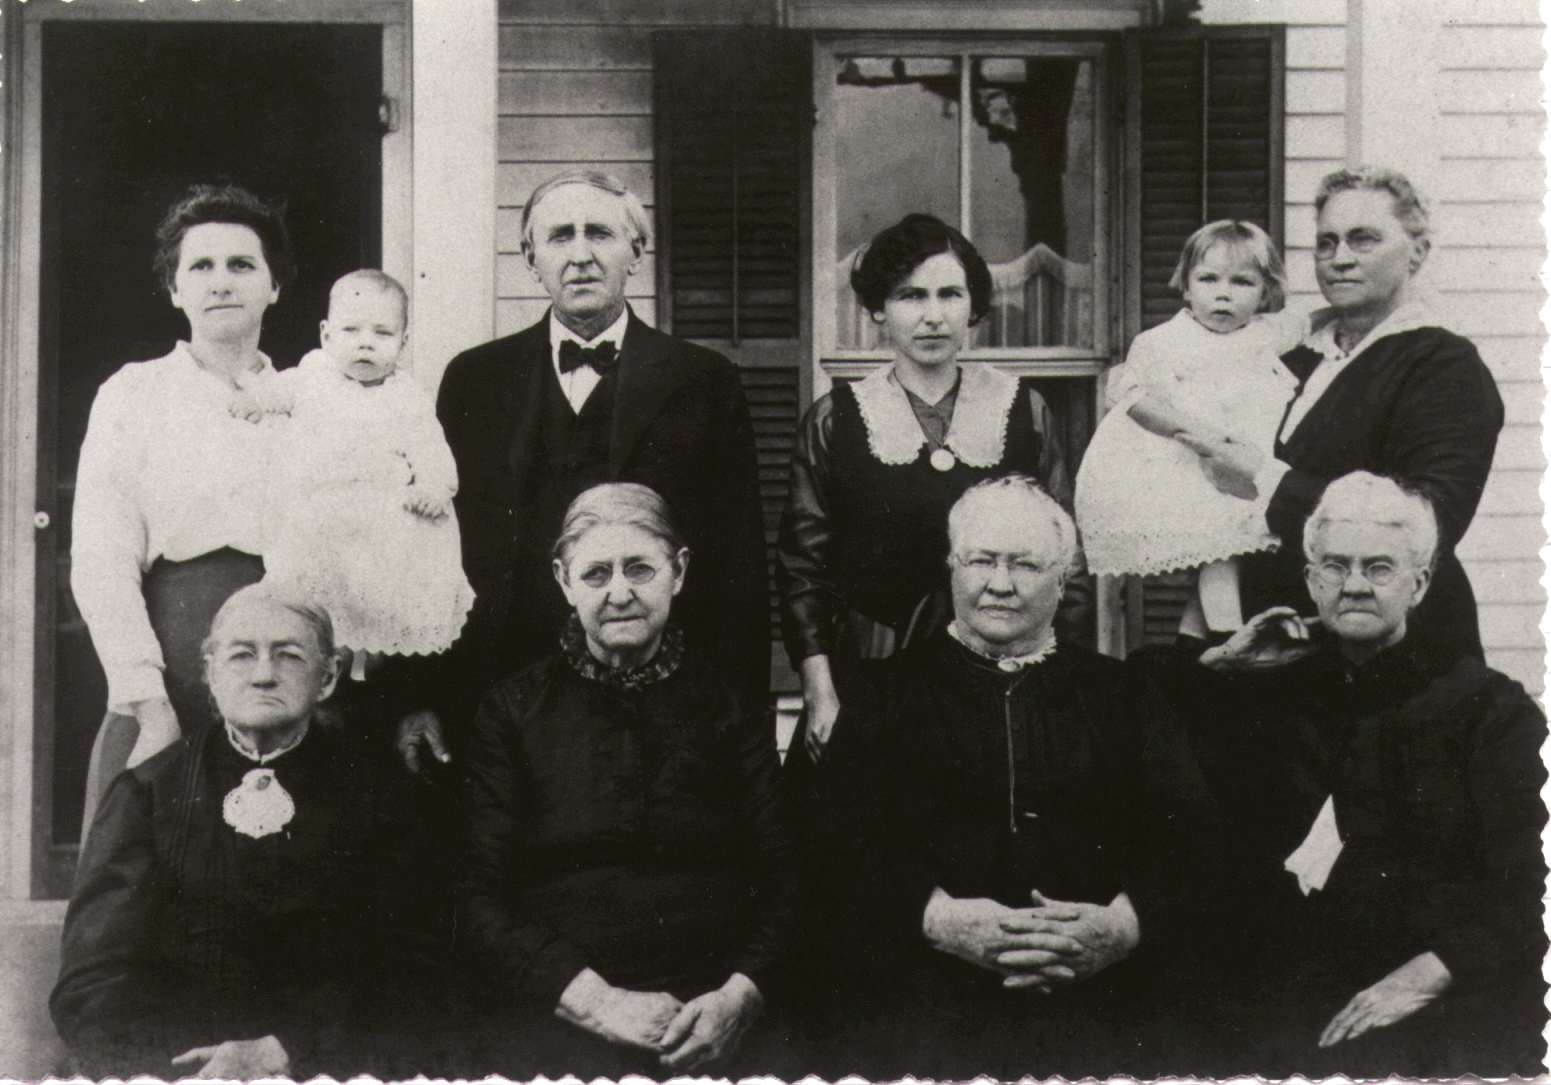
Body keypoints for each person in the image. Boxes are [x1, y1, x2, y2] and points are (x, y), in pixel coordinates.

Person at [797, 476, 1219, 1080]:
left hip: (1098, 1013)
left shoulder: (1125, 696)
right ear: (951, 567)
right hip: (921, 1011)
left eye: (1024, 564)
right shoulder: (878, 696)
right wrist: (937, 919)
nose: (999, 583)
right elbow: (827, 846)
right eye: (981, 561)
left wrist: (1124, 926)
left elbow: (1196, 840)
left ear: (1064, 579)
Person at [398, 170, 768, 771]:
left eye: (599, 233)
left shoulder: (704, 381)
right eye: (558, 237)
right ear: (529, 258)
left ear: (636, 252)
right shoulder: (475, 379)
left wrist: (737, 712)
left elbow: (738, 563)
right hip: (498, 688)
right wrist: (422, 696)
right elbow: (429, 549)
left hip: (658, 693)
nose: (580, 255)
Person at [1188, 473, 1546, 1077]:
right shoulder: (1266, 697)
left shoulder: (1489, 711)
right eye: (1335, 566)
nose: (1353, 585)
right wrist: (1222, 662)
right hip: (1290, 995)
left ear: (1420, 583)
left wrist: (1427, 975)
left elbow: (1527, 887)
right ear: (1310, 580)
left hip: (1440, 998)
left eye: (1379, 568)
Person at [455, 483, 798, 1079]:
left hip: (711, 1023)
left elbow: (786, 874)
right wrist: (598, 1004)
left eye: (640, 569)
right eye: (596, 574)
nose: (620, 593)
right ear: (564, 582)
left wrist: (739, 998)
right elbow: (477, 894)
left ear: (679, 571)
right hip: (559, 1025)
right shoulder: (512, 711)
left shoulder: (728, 707)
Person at [51, 585, 449, 1081]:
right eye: (241, 656)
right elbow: (93, 981)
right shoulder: (147, 793)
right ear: (210, 675)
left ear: (326, 679)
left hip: (324, 1066)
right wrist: (186, 1070)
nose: (263, 675)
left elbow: (413, 965)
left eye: (288, 656)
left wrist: (288, 1050)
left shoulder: (381, 794)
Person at [779, 214, 1073, 760]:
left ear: (974, 307)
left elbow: (1063, 563)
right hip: (873, 675)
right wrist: (819, 693)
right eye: (910, 296)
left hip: (999, 672)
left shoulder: (1024, 411)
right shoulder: (834, 419)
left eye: (949, 294)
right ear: (878, 311)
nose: (932, 316)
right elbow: (802, 571)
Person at [1193, 167, 1502, 663]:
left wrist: (1265, 478)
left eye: (1363, 240)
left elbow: (1428, 523)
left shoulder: (1442, 364)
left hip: (1393, 655)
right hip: (1272, 646)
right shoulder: (1295, 355)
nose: (1339, 259)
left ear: (1417, 252)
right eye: (1326, 243)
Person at [72, 183, 294, 830]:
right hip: (170, 668)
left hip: (289, 667)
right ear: (174, 289)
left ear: (274, 285)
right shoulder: (135, 394)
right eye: (200, 266)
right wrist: (147, 700)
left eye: (242, 264)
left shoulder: (312, 396)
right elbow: (102, 558)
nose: (221, 281)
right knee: (141, 883)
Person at [1075, 220, 1303, 636]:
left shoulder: (1265, 334)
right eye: (1208, 278)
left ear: (1266, 293)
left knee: (1222, 558)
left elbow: (1310, 321)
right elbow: (1137, 402)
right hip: (1186, 468)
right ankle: (1230, 637)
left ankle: (1195, 650)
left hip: (1244, 468)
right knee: (1219, 555)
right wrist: (1200, 436)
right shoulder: (1165, 341)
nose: (1223, 293)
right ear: (1185, 285)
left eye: (1243, 282)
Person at [257, 269, 474, 677]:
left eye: (382, 333)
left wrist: (433, 485)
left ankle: (367, 663)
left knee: (381, 589)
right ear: (326, 335)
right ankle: (324, 653)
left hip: (376, 519)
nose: (365, 343)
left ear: (404, 342)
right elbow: (277, 392)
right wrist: (256, 401)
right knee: (314, 589)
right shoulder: (312, 375)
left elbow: (431, 447)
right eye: (351, 329)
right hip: (319, 513)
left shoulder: (406, 397)